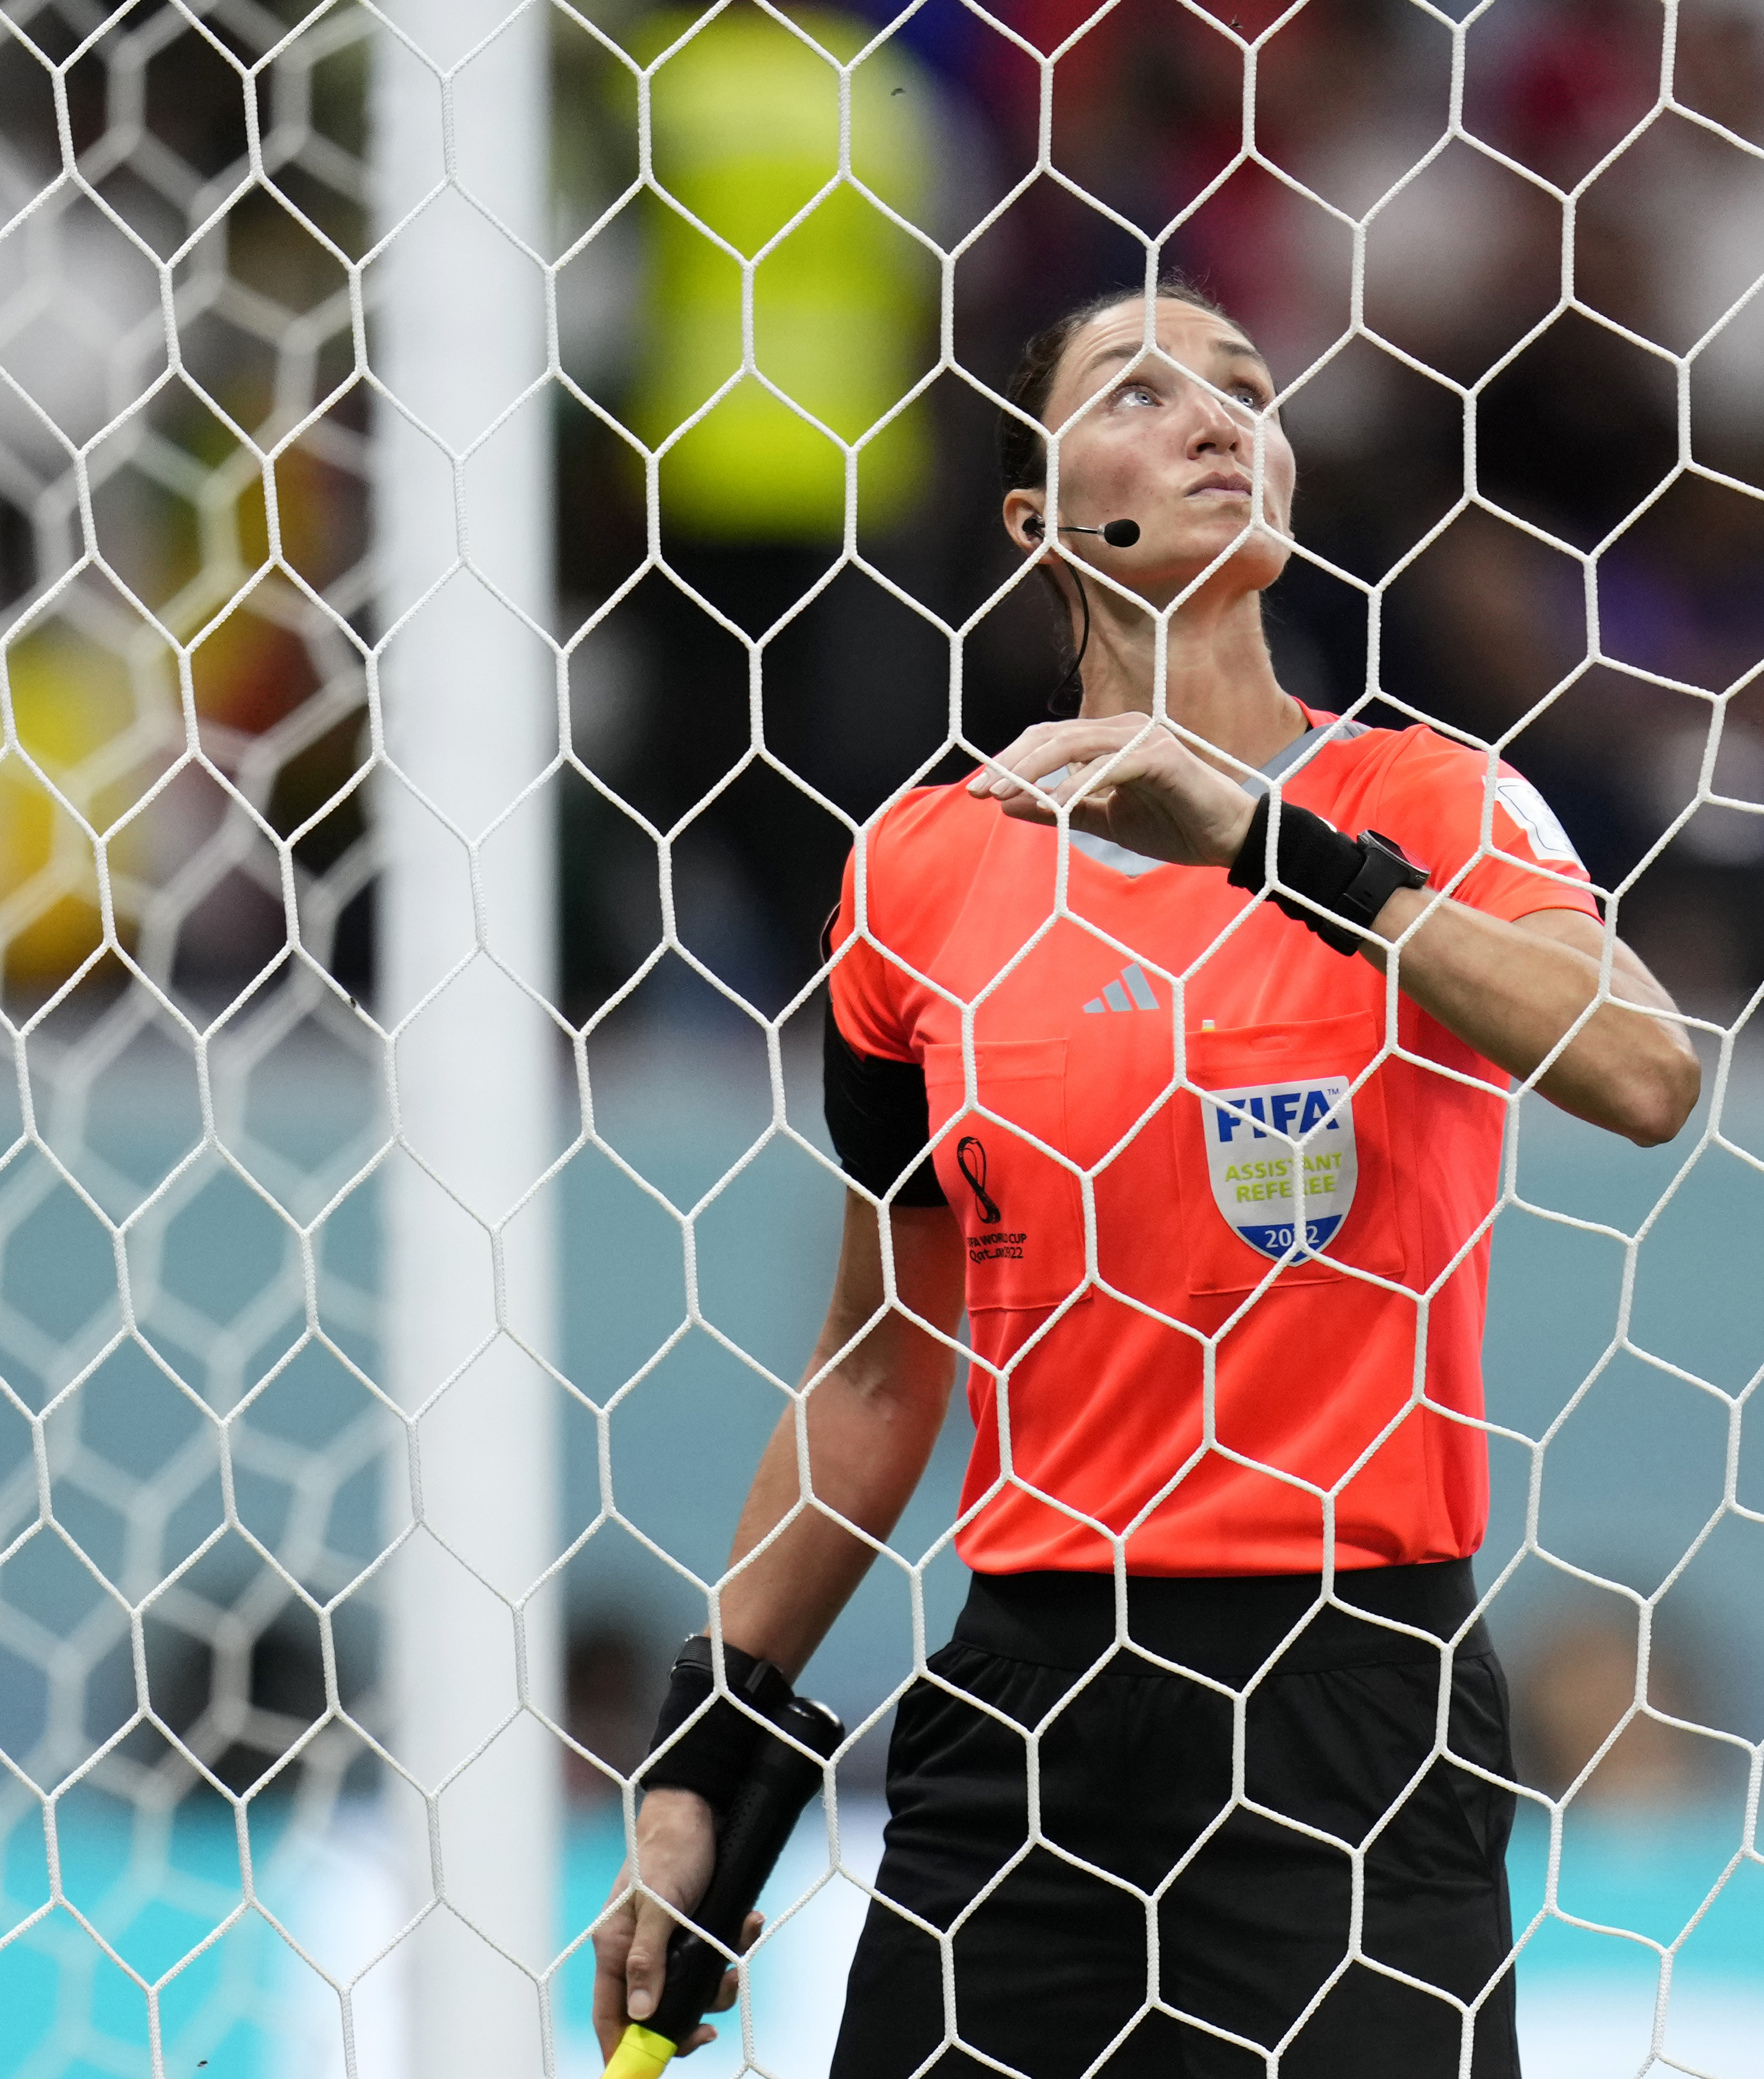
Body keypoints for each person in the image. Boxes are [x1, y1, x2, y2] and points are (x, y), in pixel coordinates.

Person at [588, 283, 1700, 2077]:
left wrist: (1262, 843)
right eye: (1138, 387)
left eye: (1246, 390)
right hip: (1022, 1719)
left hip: (1346, 1709)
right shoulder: (920, 874)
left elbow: (1645, 1071)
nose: (1212, 417)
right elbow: (881, 1359)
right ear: (1036, 519)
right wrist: (705, 1760)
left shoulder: (1431, 804)